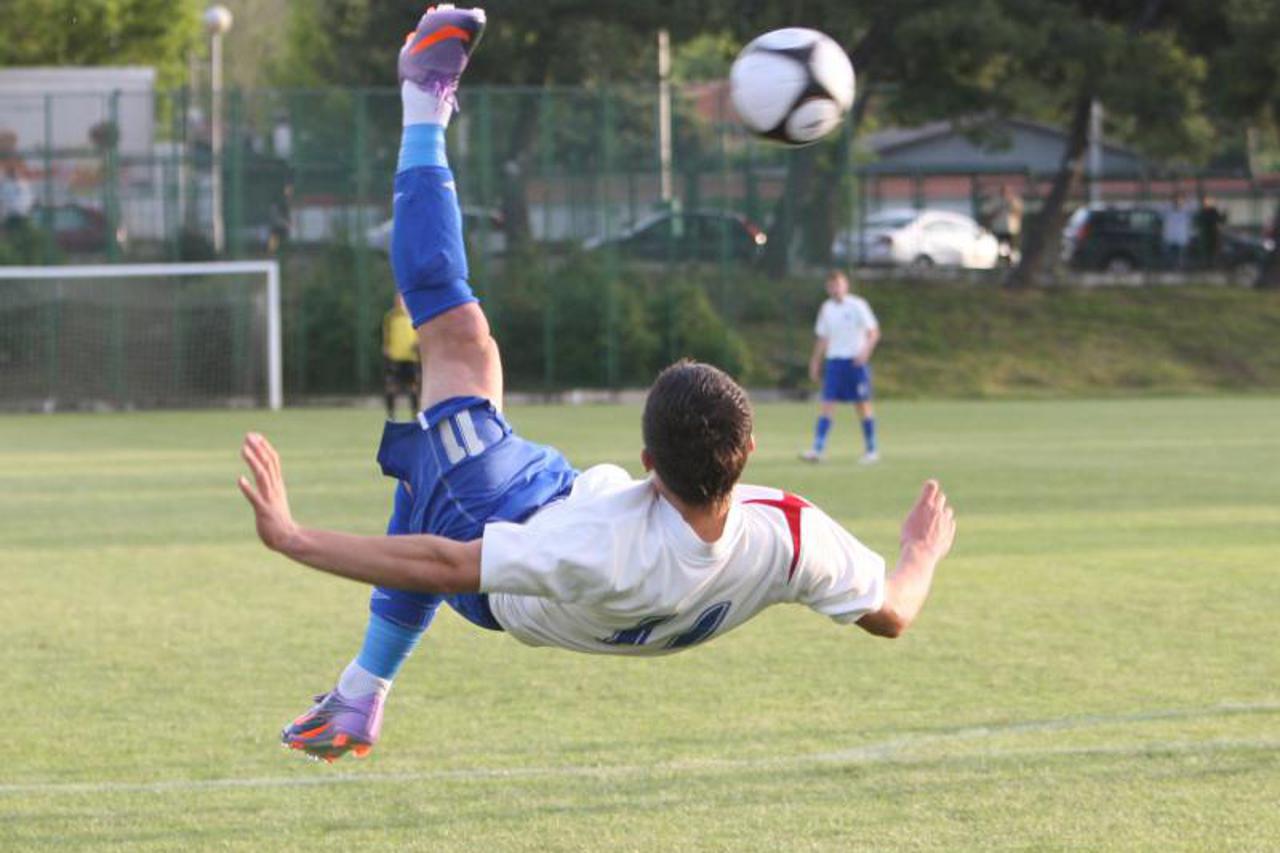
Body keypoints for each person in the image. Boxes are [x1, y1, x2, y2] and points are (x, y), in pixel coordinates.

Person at [237, 5, 957, 764]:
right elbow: (894, 611)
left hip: (509, 565)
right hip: (559, 504)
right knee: (447, 438)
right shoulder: (791, 537)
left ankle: (423, 97)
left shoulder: (602, 544)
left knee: (456, 343)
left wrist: (293, 537)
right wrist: (921, 552)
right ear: (746, 450)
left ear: (646, 463)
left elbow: (445, 565)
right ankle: (360, 690)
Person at [801, 271, 881, 464]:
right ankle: (817, 449)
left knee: (862, 405)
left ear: (846, 285)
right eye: (832, 285)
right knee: (827, 404)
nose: (835, 289)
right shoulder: (826, 308)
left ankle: (871, 450)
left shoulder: (857, 305)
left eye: (838, 284)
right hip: (835, 363)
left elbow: (873, 332)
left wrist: (865, 352)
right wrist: (815, 361)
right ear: (827, 288)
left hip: (855, 363)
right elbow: (823, 337)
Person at [382, 294, 421, 419]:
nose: (399, 302)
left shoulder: (414, 315)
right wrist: (386, 348)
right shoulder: (390, 317)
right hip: (395, 358)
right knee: (391, 387)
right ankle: (391, 415)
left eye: (402, 299)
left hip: (411, 358)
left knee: (413, 388)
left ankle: (415, 416)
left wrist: (418, 344)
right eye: (397, 299)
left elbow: (419, 334)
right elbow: (386, 337)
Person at [990, 183, 1023, 264]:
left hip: (1012, 229)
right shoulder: (996, 200)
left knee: (1012, 248)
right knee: (1000, 247)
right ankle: (1000, 261)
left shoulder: (1015, 200)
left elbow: (1019, 213)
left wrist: (1011, 204)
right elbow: (991, 213)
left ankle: (1012, 262)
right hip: (999, 229)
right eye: (1004, 191)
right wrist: (1000, 208)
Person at [1163, 190, 1195, 270]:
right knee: (1170, 256)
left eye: (1180, 200)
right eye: (1176, 200)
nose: (1178, 202)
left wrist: (1187, 199)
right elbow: (1163, 206)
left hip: (1182, 238)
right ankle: (1172, 268)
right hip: (1170, 237)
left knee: (1181, 256)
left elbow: (1193, 207)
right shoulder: (1168, 210)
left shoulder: (1186, 211)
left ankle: (1180, 268)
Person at [1194, 196, 1226, 268]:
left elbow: (1221, 220)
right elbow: (1198, 222)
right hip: (1205, 234)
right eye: (1206, 202)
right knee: (1205, 250)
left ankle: (1212, 264)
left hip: (1213, 233)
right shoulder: (1201, 212)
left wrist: (1224, 212)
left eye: (1209, 202)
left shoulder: (1214, 211)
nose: (1208, 203)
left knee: (1213, 249)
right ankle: (1205, 264)